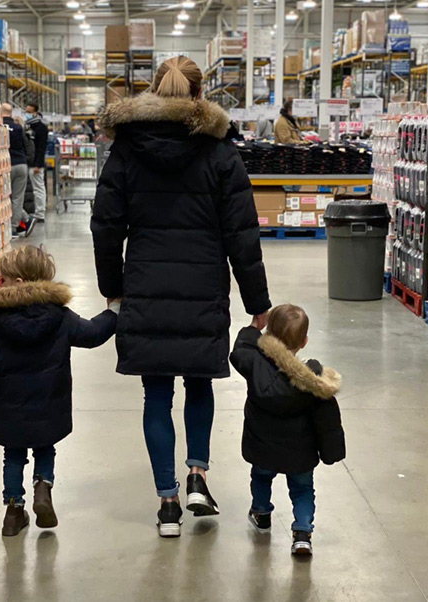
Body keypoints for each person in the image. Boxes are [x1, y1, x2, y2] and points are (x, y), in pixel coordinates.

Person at [91, 56, 272, 538]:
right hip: (202, 287)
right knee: (198, 383)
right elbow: (242, 233)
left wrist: (114, 290)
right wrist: (258, 302)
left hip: (146, 285)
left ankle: (168, 503)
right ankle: (197, 474)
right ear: (199, 94)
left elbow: (106, 226)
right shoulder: (218, 150)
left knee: (155, 393)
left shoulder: (126, 149)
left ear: (152, 92)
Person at [0, 246, 119, 537]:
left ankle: (13, 512)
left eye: (4, 279)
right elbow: (92, 334)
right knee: (45, 447)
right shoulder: (59, 317)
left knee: (13, 455)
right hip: (50, 405)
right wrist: (113, 314)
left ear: (19, 283)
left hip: (9, 409)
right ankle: (43, 489)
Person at [229, 304, 345, 555]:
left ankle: (261, 513)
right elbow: (327, 420)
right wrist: (332, 451)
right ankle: (302, 532)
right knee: (302, 490)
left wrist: (253, 328)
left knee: (261, 477)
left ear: (269, 337)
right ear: (304, 342)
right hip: (300, 454)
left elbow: (239, 351)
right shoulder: (313, 381)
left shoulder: (254, 366)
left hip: (262, 447)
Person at [2, 103, 35, 238]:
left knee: (5, 198)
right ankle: (26, 219)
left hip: (5, 166)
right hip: (21, 164)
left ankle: (14, 228)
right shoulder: (18, 127)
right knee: (17, 197)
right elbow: (25, 144)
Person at [25, 103, 48, 223]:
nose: (26, 114)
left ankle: (40, 213)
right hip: (28, 163)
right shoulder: (28, 126)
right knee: (33, 190)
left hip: (36, 165)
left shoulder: (41, 127)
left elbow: (41, 148)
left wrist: (38, 165)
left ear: (35, 112)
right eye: (26, 111)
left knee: (38, 189)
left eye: (29, 112)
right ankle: (35, 211)